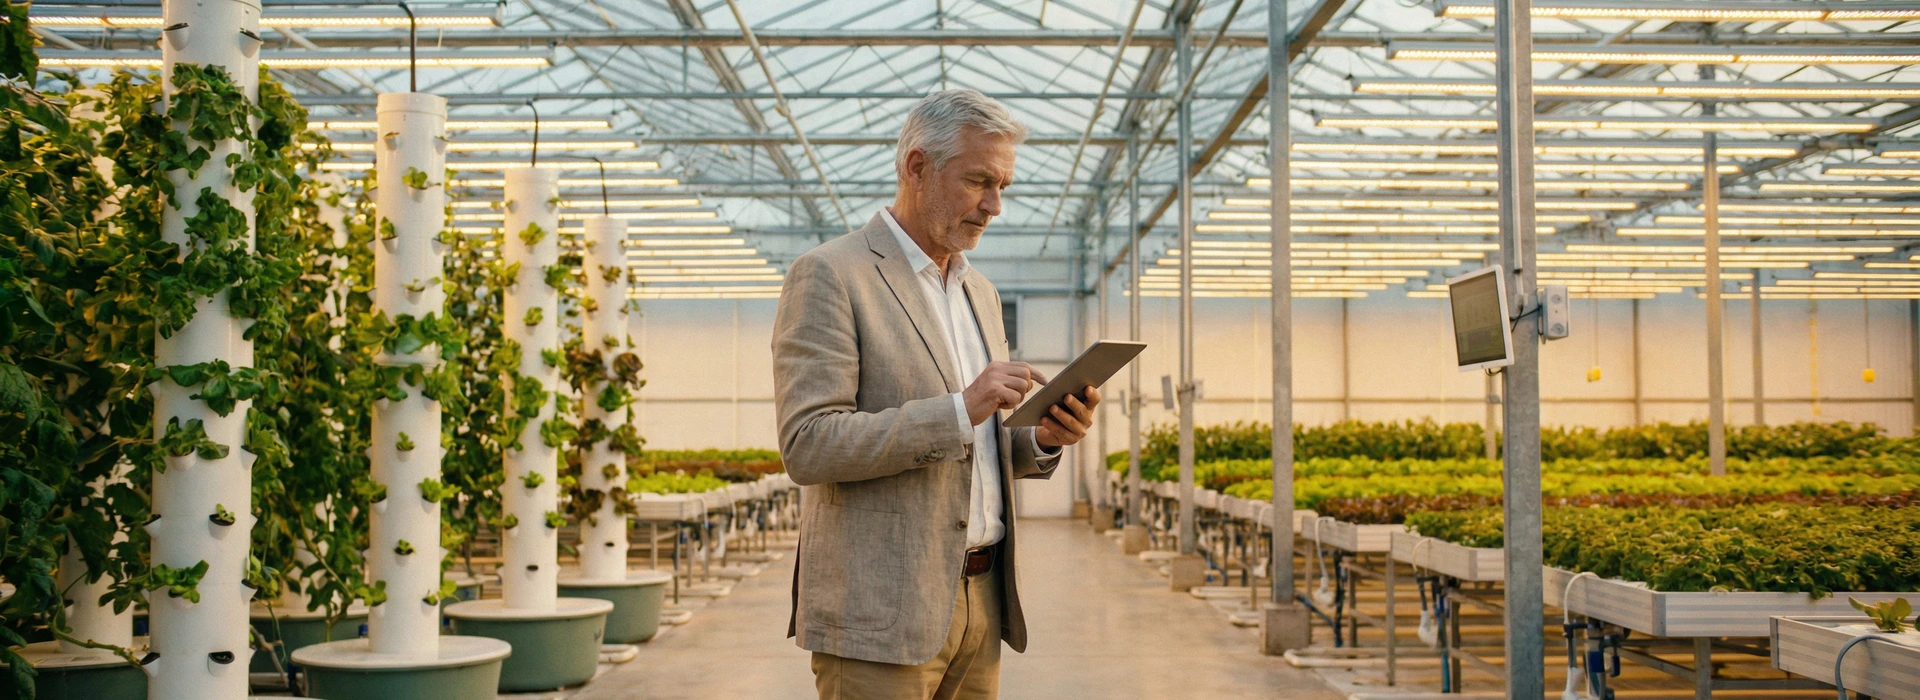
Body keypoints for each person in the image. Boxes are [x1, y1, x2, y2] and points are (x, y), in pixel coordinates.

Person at [772, 89, 1101, 700]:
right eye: (978, 181)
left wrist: (1040, 441)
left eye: (1003, 185)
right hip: (880, 610)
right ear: (917, 167)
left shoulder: (979, 293)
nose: (994, 205)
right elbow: (808, 444)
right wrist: (960, 408)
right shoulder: (831, 274)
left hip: (982, 601)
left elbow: (976, 441)